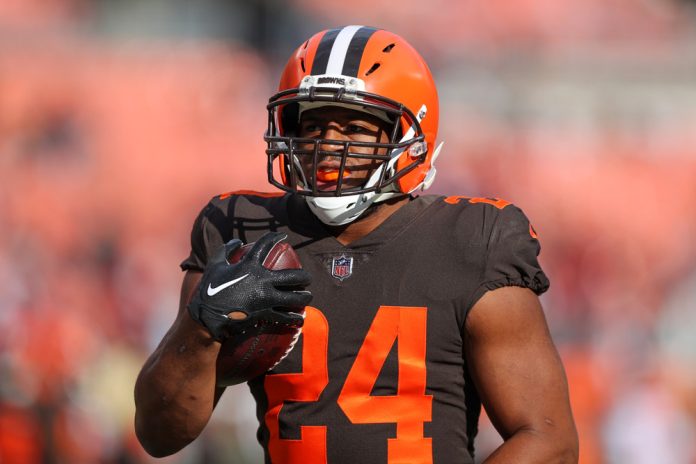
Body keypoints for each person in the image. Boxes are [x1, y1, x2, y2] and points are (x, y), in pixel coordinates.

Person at [134, 25, 578, 463]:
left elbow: (548, 441)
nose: (328, 145)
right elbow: (159, 434)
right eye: (314, 125)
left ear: (407, 138)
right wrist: (200, 328)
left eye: (354, 128)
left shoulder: (473, 240)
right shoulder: (241, 231)